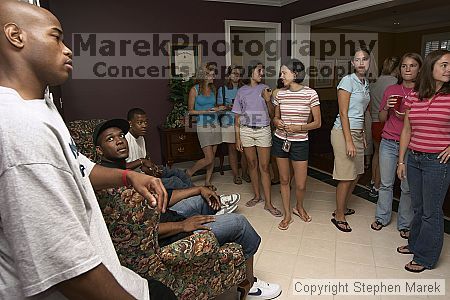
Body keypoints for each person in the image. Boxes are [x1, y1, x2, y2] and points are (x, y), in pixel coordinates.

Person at [0, 1, 174, 299]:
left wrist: (128, 177)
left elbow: (76, 165)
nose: (67, 49)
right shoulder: (19, 126)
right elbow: (66, 269)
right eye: (56, 37)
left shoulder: (39, 105)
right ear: (16, 36)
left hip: (118, 273)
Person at [94, 120, 282, 299]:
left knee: (203, 199)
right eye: (110, 139)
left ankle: (216, 234)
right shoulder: (113, 190)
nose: (119, 141)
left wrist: (200, 188)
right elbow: (137, 234)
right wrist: (183, 226)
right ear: (99, 150)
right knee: (240, 223)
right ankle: (249, 283)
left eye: (120, 136)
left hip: (167, 216)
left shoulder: (123, 174)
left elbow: (163, 198)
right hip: (170, 234)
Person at [396, 49, 450, 273]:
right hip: (414, 159)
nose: (448, 69)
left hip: (437, 162)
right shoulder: (414, 95)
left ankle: (426, 257)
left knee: (432, 211)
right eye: (444, 65)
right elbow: (407, 129)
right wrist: (401, 161)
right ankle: (415, 244)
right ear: (431, 67)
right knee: (418, 207)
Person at [371, 53, 422, 239]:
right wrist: (387, 108)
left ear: (419, 69)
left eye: (412, 65)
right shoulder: (391, 89)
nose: (407, 69)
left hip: (411, 145)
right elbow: (382, 119)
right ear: (399, 70)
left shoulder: (423, 92)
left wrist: (408, 115)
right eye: (404, 66)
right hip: (388, 141)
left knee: (407, 187)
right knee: (385, 183)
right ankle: (381, 217)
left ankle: (405, 224)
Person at [272, 59, 321, 230]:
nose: (281, 76)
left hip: (300, 142)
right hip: (280, 140)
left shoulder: (311, 94)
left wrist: (298, 127)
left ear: (295, 74)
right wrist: (277, 121)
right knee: (284, 180)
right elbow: (275, 117)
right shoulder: (279, 94)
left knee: (300, 184)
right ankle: (287, 215)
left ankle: (299, 207)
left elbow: (317, 123)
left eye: (284, 73)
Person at [232, 60, 282, 217]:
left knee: (264, 167)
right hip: (246, 131)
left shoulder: (266, 89)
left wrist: (267, 100)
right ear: (251, 72)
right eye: (259, 70)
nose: (262, 73)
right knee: (252, 164)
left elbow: (273, 114)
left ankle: (268, 203)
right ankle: (257, 196)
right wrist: (238, 138)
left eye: (263, 71)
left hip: (263, 131)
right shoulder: (241, 91)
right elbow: (238, 117)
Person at [330, 48, 371, 232]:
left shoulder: (365, 83)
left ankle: (343, 205)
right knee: (346, 176)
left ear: (369, 63)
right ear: (353, 63)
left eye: (365, 59)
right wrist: (348, 140)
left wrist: (361, 135)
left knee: (358, 172)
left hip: (357, 132)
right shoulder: (347, 81)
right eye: (358, 60)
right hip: (342, 132)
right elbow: (344, 113)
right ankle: (339, 214)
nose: (361, 62)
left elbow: (361, 112)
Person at [125, 107, 193, 189]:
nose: (144, 126)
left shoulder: (141, 137)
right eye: (140, 122)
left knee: (179, 172)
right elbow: (121, 168)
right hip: (139, 179)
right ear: (130, 123)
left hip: (146, 172)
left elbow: (145, 157)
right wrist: (142, 162)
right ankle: (194, 193)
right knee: (175, 182)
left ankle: (196, 190)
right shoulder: (125, 140)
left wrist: (153, 168)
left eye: (145, 122)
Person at [186, 64, 225, 191]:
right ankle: (188, 173)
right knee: (208, 157)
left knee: (212, 156)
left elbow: (215, 106)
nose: (214, 77)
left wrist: (219, 108)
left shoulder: (213, 89)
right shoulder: (194, 90)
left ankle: (207, 181)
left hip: (215, 124)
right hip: (203, 125)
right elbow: (190, 111)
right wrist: (206, 111)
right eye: (211, 74)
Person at [367, 56, 400, 197]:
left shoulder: (375, 81)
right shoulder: (395, 83)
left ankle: (373, 180)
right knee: (384, 158)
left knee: (377, 154)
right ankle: (377, 186)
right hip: (386, 123)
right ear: (398, 68)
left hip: (374, 122)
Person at [217, 65, 249, 184]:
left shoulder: (245, 88)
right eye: (234, 73)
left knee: (245, 149)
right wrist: (228, 107)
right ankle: (236, 175)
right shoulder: (223, 89)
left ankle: (245, 173)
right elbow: (219, 107)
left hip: (243, 122)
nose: (236, 75)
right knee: (232, 149)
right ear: (229, 75)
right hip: (228, 122)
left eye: (238, 73)